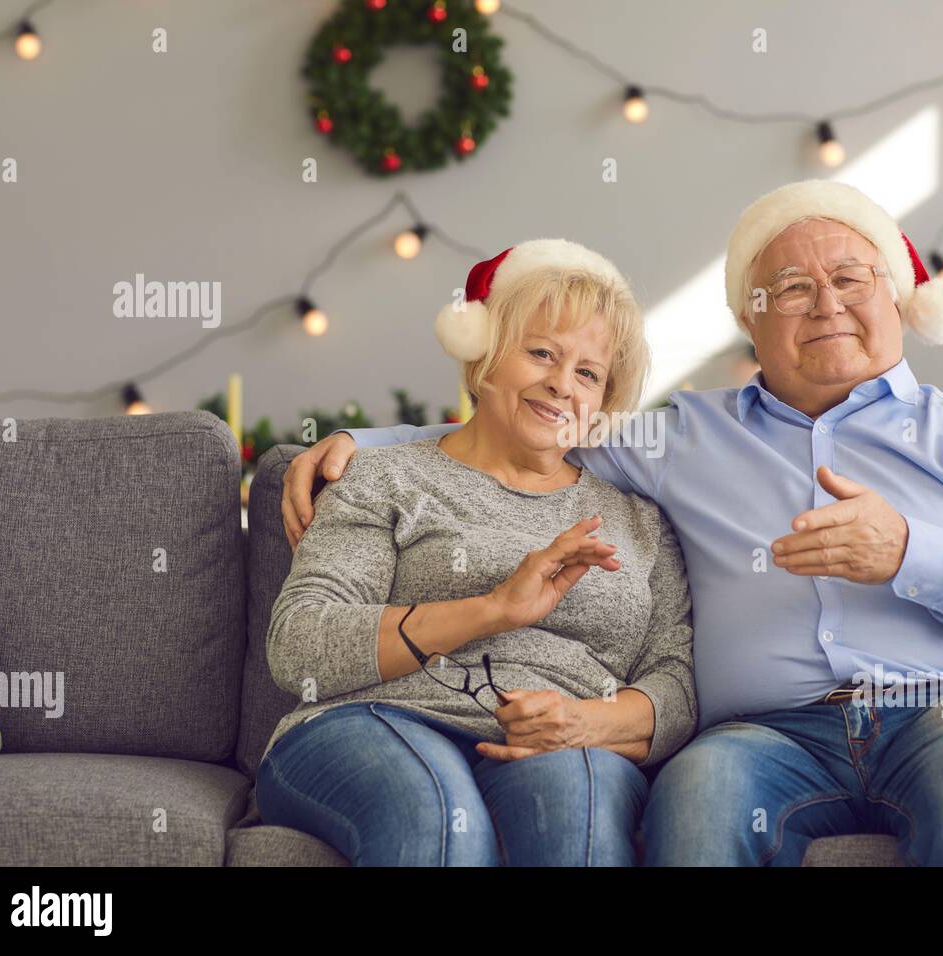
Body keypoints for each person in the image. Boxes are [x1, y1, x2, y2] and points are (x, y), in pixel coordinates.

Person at [282, 181, 943, 866]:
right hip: (765, 733)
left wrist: (914, 553)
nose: (825, 303)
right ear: (751, 321)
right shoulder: (681, 436)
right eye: (791, 288)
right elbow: (528, 427)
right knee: (700, 800)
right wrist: (358, 444)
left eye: (851, 278)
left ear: (900, 299)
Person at [258, 238, 696, 866]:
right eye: (541, 352)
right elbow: (300, 642)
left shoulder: (639, 522)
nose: (561, 385)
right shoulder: (385, 478)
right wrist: (492, 607)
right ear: (485, 355)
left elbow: (676, 682)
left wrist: (582, 722)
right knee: (435, 816)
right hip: (378, 720)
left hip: (562, 744)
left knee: (578, 813)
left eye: (588, 373)